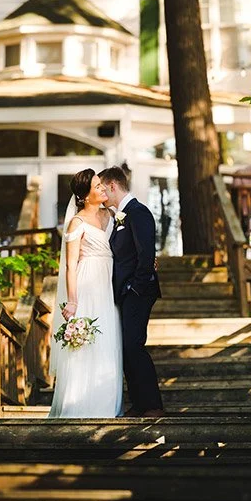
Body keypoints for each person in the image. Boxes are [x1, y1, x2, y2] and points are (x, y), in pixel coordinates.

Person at [48, 169, 123, 418]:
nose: (103, 189)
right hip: (87, 284)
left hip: (108, 283)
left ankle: (106, 404)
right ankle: (79, 404)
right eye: (97, 186)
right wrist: (72, 300)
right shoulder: (77, 223)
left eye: (102, 185)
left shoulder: (112, 216)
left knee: (108, 341)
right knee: (85, 344)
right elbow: (71, 264)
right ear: (84, 196)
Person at [98, 166, 165, 418]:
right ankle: (139, 404)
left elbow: (146, 253)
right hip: (125, 292)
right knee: (127, 347)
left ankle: (152, 406)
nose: (103, 194)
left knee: (134, 346)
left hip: (138, 291)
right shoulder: (120, 216)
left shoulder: (138, 212)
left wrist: (135, 287)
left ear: (113, 186)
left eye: (104, 189)